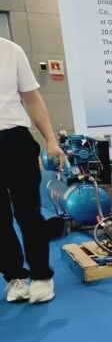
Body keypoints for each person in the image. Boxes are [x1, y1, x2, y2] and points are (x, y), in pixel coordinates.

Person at [1, 37, 65, 303]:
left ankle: (41, 276)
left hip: (14, 139)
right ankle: (14, 276)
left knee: (28, 213)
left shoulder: (11, 51)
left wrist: (51, 140)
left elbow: (32, 98)